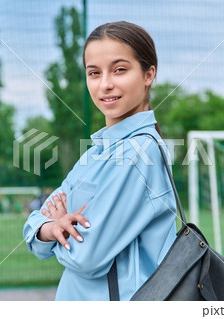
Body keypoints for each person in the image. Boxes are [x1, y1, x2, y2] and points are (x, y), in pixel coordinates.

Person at [23, 21, 177, 301]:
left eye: (119, 70)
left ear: (148, 74)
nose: (105, 84)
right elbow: (34, 228)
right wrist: (51, 227)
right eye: (94, 73)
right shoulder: (95, 152)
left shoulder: (141, 153)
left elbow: (87, 257)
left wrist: (53, 229)